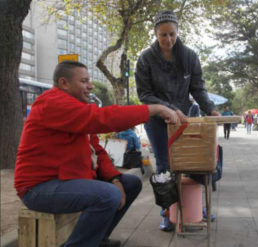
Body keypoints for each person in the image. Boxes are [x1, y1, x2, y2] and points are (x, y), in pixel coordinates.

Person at [14, 61, 179, 247]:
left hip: (66, 179)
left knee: (131, 183)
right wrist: (155, 109)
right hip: (39, 188)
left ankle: (98, 239)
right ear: (64, 83)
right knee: (107, 196)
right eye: (84, 81)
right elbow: (103, 118)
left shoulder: (75, 108)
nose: (90, 86)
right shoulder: (51, 103)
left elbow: (97, 150)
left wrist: (115, 180)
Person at [135, 10, 220, 231]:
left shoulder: (190, 56)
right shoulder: (145, 59)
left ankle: (194, 207)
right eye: (163, 35)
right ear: (155, 33)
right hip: (156, 119)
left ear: (177, 32)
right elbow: (144, 95)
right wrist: (168, 109)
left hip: (183, 120)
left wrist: (210, 108)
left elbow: (198, 88)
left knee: (192, 161)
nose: (168, 39)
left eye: (172, 34)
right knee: (164, 165)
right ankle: (167, 211)